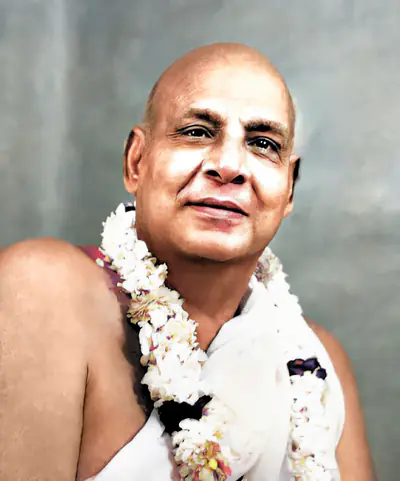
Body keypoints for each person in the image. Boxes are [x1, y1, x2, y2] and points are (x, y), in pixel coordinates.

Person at [0, 43, 375, 481]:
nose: (230, 166)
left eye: (262, 143)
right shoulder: (44, 291)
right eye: (197, 132)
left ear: (289, 188)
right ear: (137, 161)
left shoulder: (317, 362)